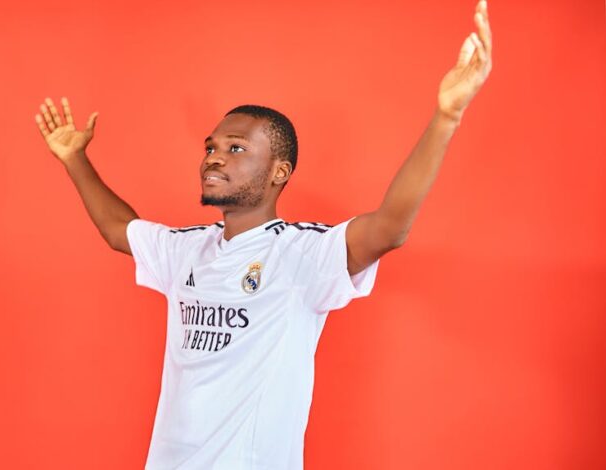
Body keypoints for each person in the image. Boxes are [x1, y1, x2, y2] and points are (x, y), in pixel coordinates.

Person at [34, 1, 492, 467]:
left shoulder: (301, 254)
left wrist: (446, 117)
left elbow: (390, 228)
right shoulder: (187, 249)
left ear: (279, 172)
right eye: (211, 146)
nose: (214, 157)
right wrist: (75, 159)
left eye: (236, 149)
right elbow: (118, 230)